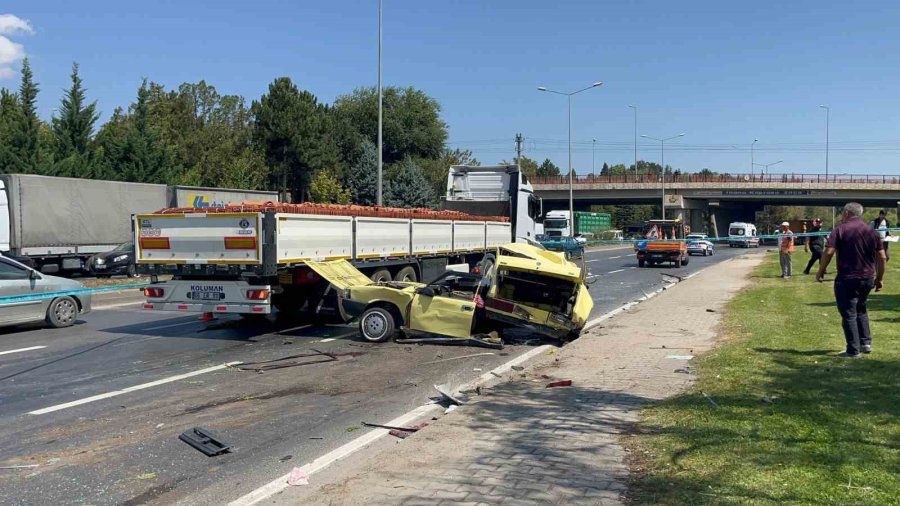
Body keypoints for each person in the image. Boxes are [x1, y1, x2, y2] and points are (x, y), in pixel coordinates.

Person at [817, 202, 886, 358]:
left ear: (846, 213)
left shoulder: (840, 230)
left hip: (847, 278)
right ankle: (865, 343)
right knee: (861, 308)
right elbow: (882, 257)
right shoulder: (872, 232)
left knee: (849, 313)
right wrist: (880, 278)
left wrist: (821, 271)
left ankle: (853, 350)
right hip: (867, 277)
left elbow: (828, 252)